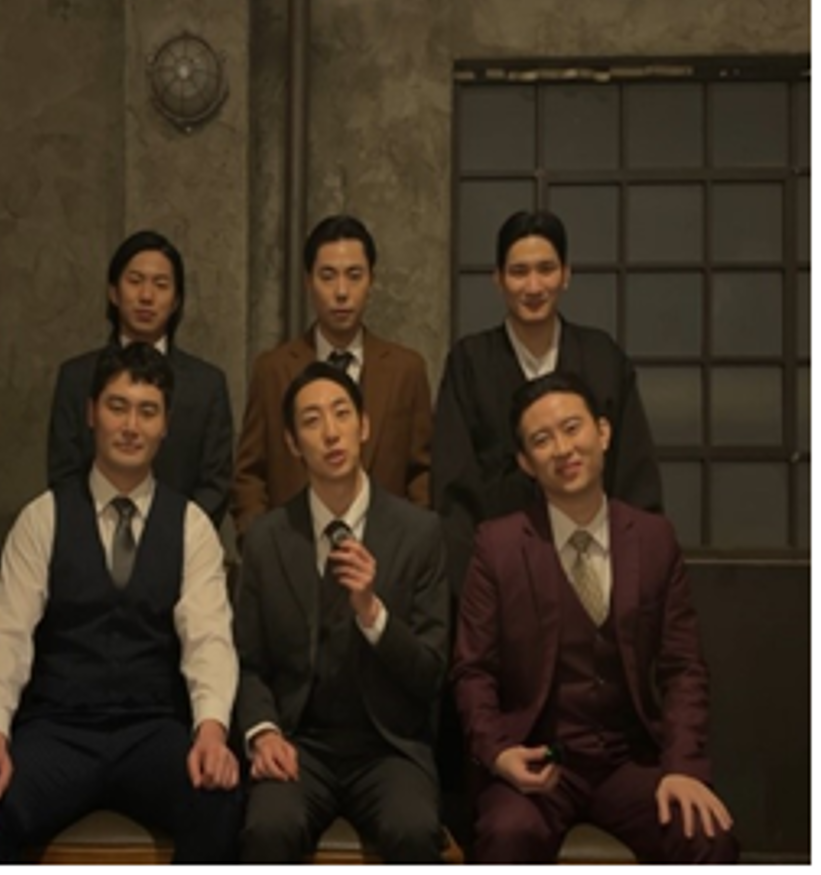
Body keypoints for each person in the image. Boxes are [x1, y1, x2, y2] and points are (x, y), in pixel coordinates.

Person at [0, 343, 241, 863]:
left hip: (153, 728)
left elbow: (209, 641)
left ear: (165, 425)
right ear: (91, 413)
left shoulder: (192, 526)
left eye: (147, 411)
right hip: (59, 728)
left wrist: (212, 731)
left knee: (219, 801)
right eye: (117, 406)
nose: (131, 426)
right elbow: (5, 636)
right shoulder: (43, 519)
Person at [452, 372, 737, 863]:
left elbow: (683, 668)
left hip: (629, 762)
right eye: (542, 440)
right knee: (506, 833)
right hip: (538, 761)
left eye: (572, 428)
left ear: (602, 432)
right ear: (525, 462)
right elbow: (472, 670)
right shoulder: (498, 546)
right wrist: (498, 752)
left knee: (707, 836)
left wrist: (683, 766)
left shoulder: (653, 539)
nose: (563, 448)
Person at [234, 362, 449, 862]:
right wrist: (263, 732)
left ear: (364, 426)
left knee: (414, 830)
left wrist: (373, 613)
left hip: (388, 747)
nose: (331, 433)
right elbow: (247, 662)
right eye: (312, 421)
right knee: (267, 829)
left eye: (342, 414)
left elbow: (431, 673)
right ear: (292, 443)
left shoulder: (420, 533)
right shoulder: (267, 537)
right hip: (300, 742)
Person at [433, 209, 661, 596]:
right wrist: (476, 586)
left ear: (566, 274)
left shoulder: (602, 357)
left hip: (599, 566)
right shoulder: (470, 362)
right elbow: (453, 491)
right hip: (501, 575)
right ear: (498, 279)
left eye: (546, 269)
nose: (534, 285)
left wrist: (631, 575)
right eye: (519, 272)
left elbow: (635, 474)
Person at [232, 215, 432, 540]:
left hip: (386, 552)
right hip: (294, 548)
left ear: (371, 281)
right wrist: (262, 545)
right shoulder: (273, 370)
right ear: (308, 282)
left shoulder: (405, 369)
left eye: (354, 276)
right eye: (328, 276)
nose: (341, 292)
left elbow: (422, 473)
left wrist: (409, 548)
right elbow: (250, 474)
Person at [47, 229, 233, 529]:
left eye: (161, 285)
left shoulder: (207, 385)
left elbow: (216, 483)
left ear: (176, 300)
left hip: (182, 541)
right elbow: (63, 473)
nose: (146, 296)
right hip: (89, 538)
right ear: (113, 292)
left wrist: (172, 537)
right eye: (134, 281)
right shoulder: (77, 376)